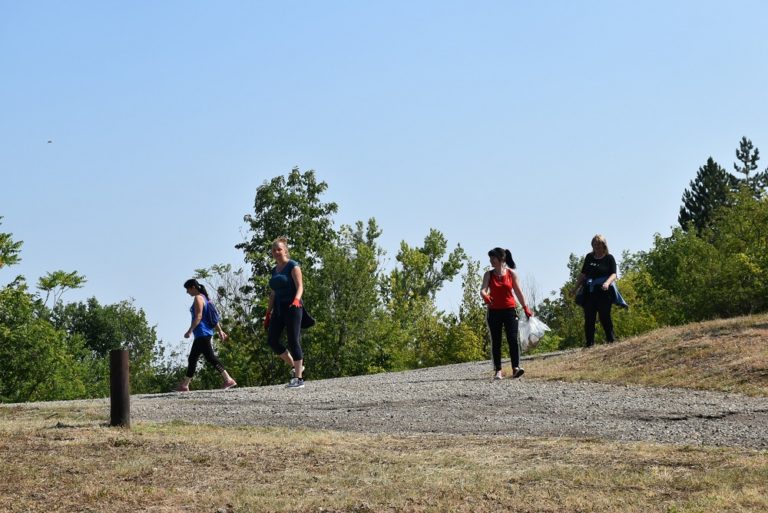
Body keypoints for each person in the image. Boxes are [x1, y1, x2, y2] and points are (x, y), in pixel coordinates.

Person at [480, 247, 533, 380]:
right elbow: (483, 290)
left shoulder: (511, 274)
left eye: (493, 258)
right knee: (496, 341)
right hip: (494, 312)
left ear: (501, 259)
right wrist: (485, 296)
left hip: (510, 310)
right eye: (490, 258)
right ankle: (498, 370)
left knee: (512, 339)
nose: (491, 260)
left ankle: (515, 368)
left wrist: (525, 307)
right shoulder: (488, 275)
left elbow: (519, 292)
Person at [175, 279, 237, 392]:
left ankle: (228, 379)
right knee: (192, 358)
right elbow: (213, 317)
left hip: (202, 333)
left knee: (210, 357)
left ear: (193, 287)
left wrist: (189, 331)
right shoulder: (206, 298)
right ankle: (185, 385)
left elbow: (198, 316)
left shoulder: (198, 298)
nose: (187, 292)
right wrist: (220, 331)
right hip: (203, 333)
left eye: (187, 289)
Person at [264, 237, 306, 388]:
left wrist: (296, 299)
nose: (276, 252)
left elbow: (300, 286)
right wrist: (268, 313)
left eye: (279, 249)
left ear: (285, 250)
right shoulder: (274, 270)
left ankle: (299, 379)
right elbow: (273, 293)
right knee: (272, 340)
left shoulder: (293, 266)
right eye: (274, 250)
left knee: (293, 340)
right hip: (279, 309)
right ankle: (296, 366)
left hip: (293, 307)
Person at [573, 234, 617, 347]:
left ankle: (611, 340)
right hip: (590, 292)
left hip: (604, 291)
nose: (596, 247)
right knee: (589, 318)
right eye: (594, 245)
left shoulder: (609, 258)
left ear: (604, 246)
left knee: (604, 316)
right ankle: (589, 344)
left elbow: (613, 274)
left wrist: (607, 283)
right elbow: (583, 274)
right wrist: (575, 289)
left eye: (599, 245)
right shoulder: (589, 257)